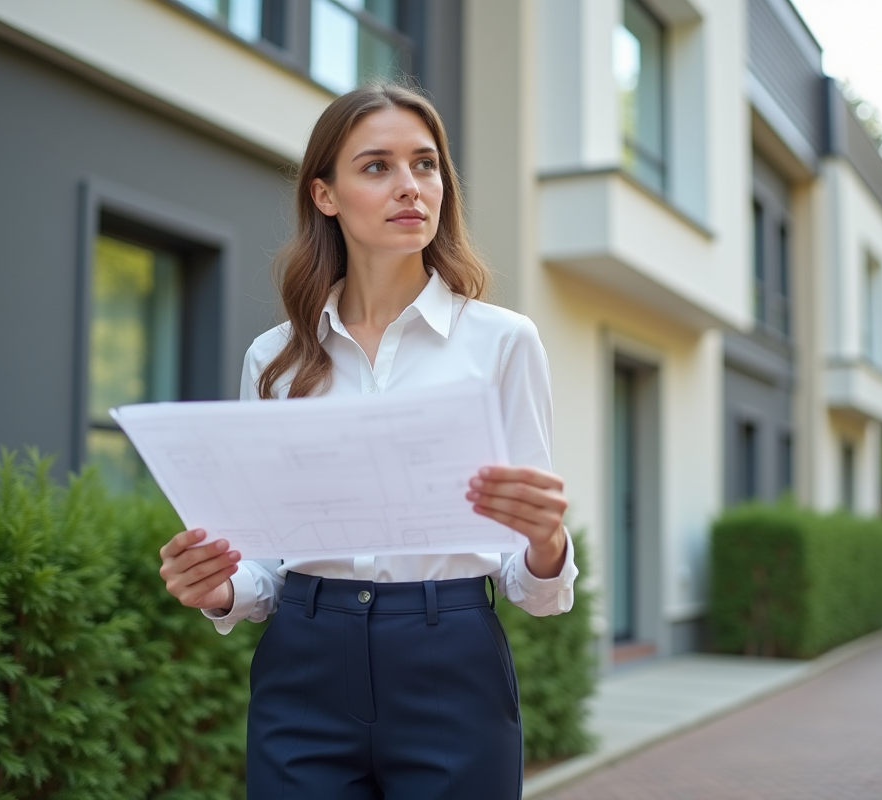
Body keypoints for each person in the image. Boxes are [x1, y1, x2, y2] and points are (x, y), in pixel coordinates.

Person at [156, 82, 578, 799]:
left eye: (426, 165)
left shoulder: (504, 343)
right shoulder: (274, 359)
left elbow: (532, 586)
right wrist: (220, 585)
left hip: (452, 660)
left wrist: (547, 545)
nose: (411, 186)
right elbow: (263, 569)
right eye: (377, 166)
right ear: (325, 195)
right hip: (305, 664)